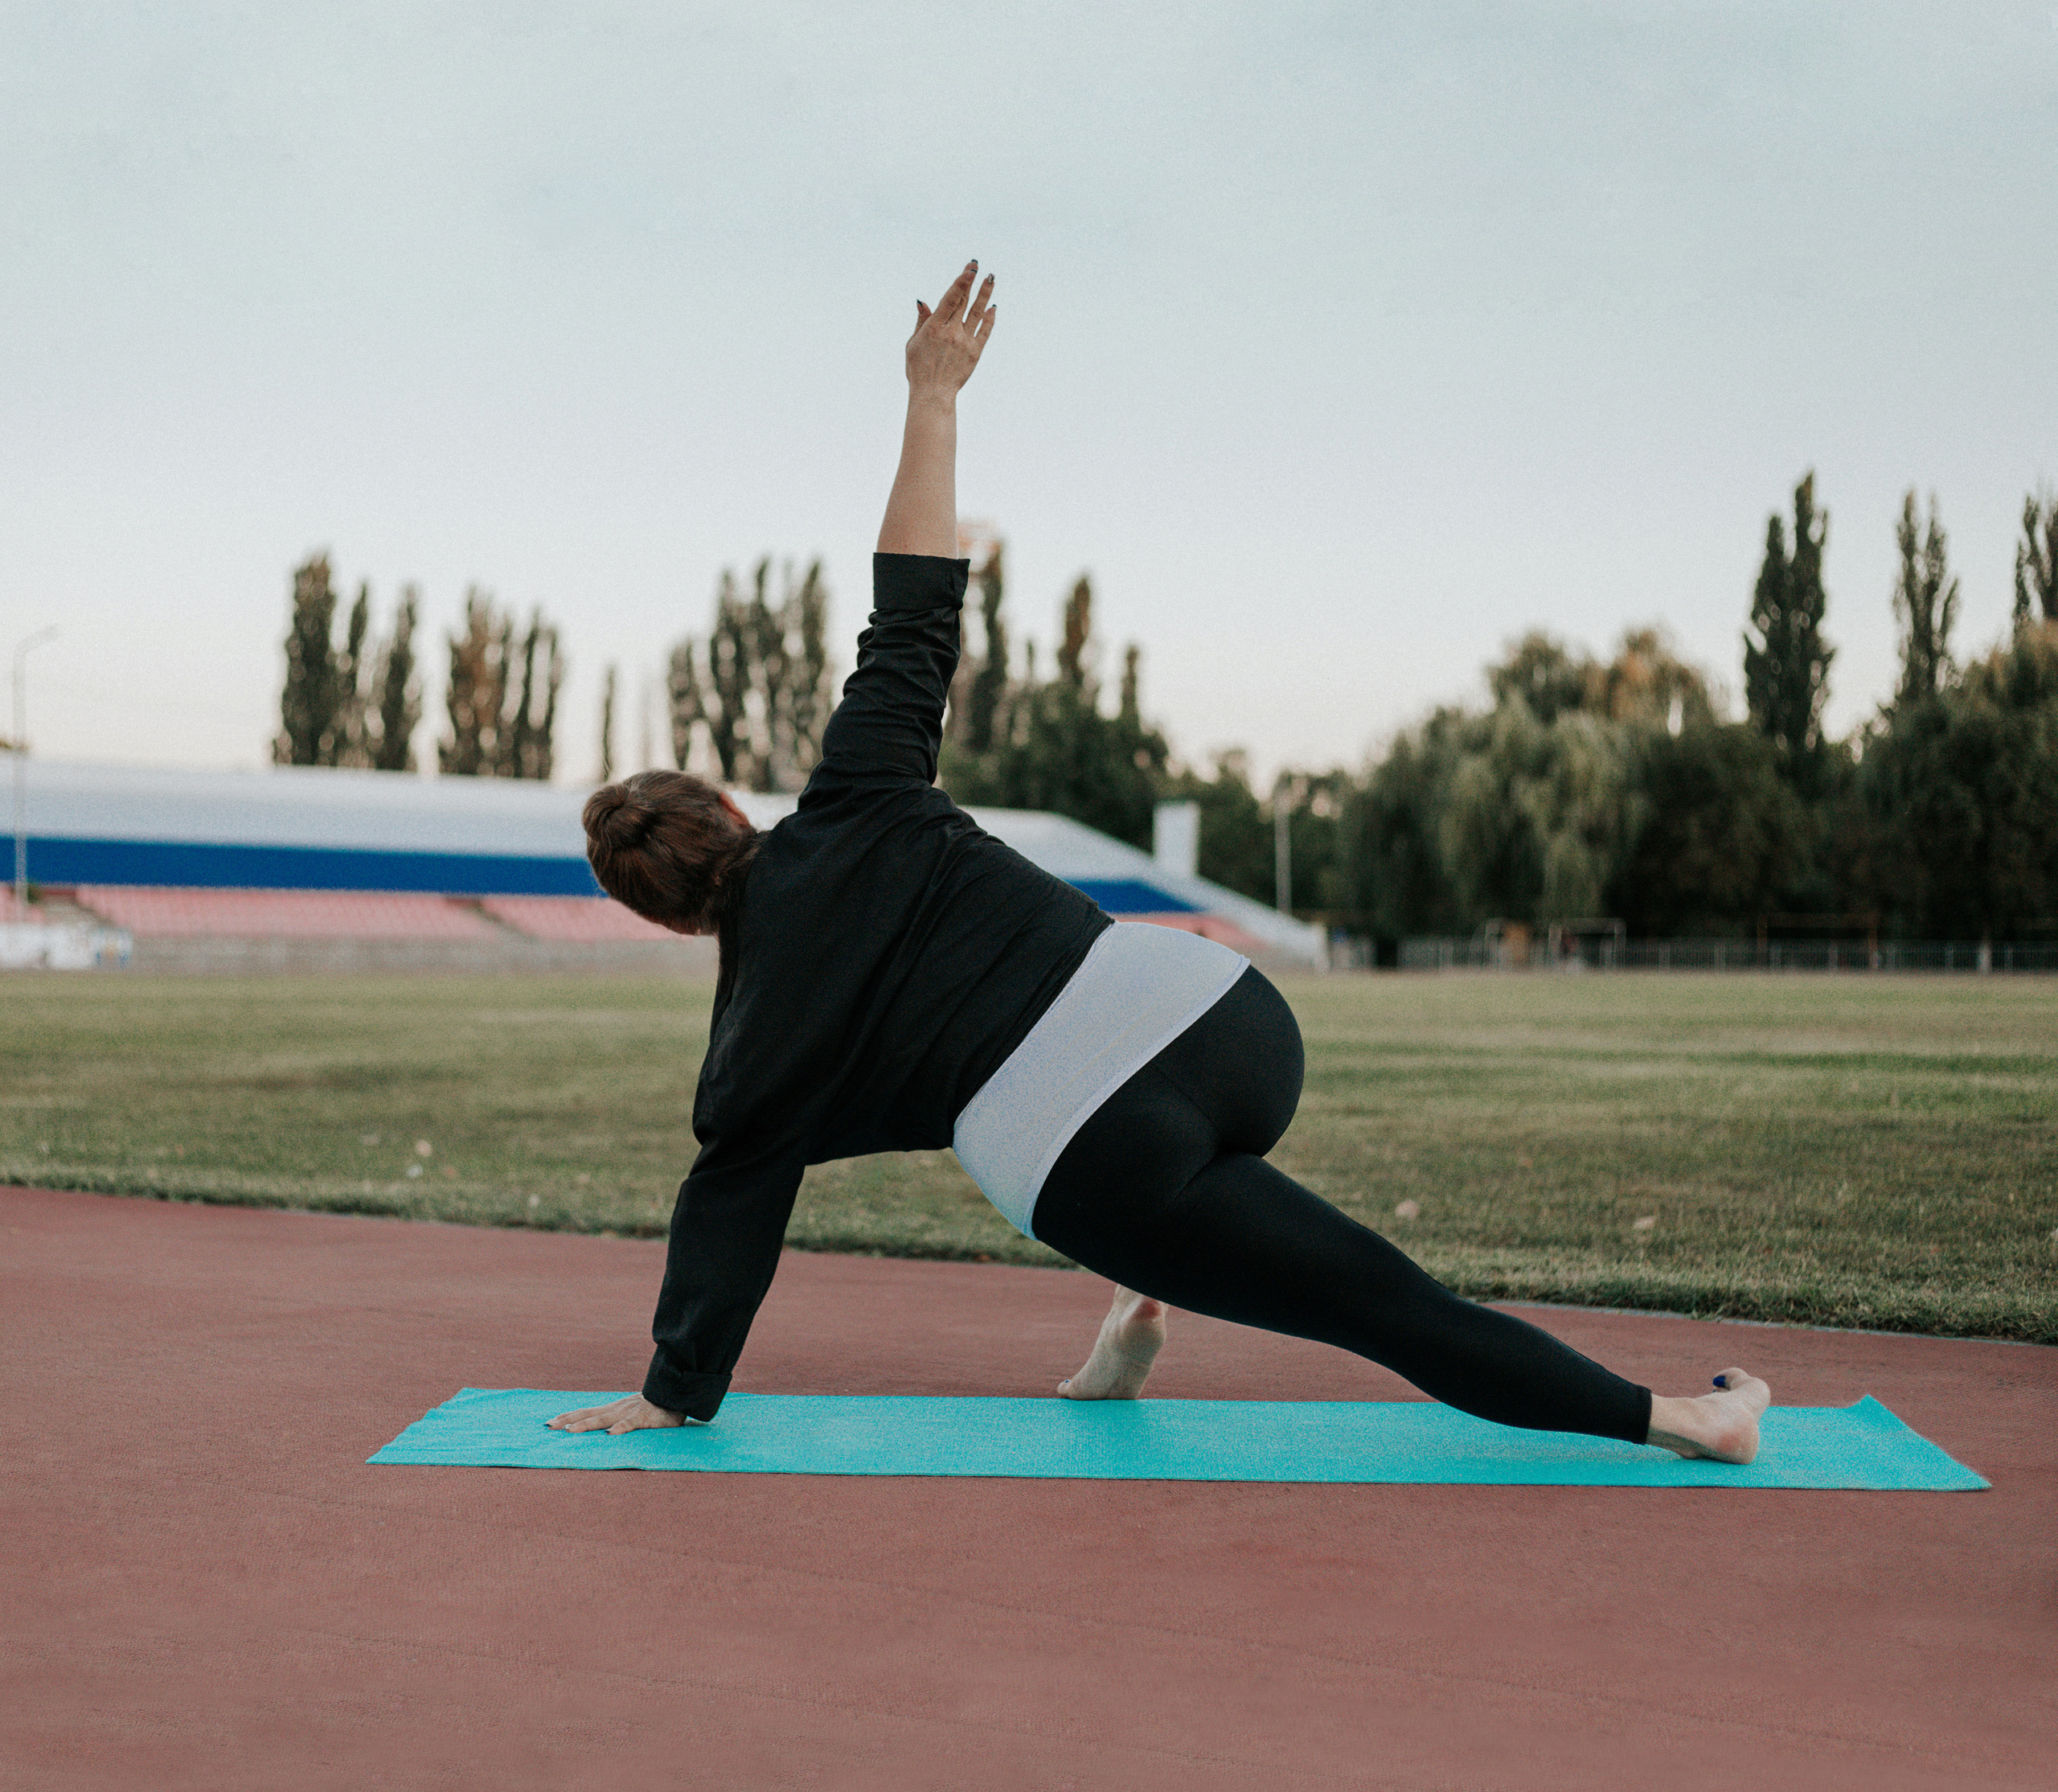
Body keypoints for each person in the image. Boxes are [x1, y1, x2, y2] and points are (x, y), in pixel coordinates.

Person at [548, 260, 1771, 1464]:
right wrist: (933, 397)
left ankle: (1690, 1425)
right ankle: (1131, 1309)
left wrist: (675, 1390)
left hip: (1094, 1162)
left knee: (1379, 1306)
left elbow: (729, 1212)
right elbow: (913, 603)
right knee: (1135, 1138)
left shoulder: (749, 1059)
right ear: (723, 804)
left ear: (661, 918)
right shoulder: (861, 789)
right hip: (1228, 1027)